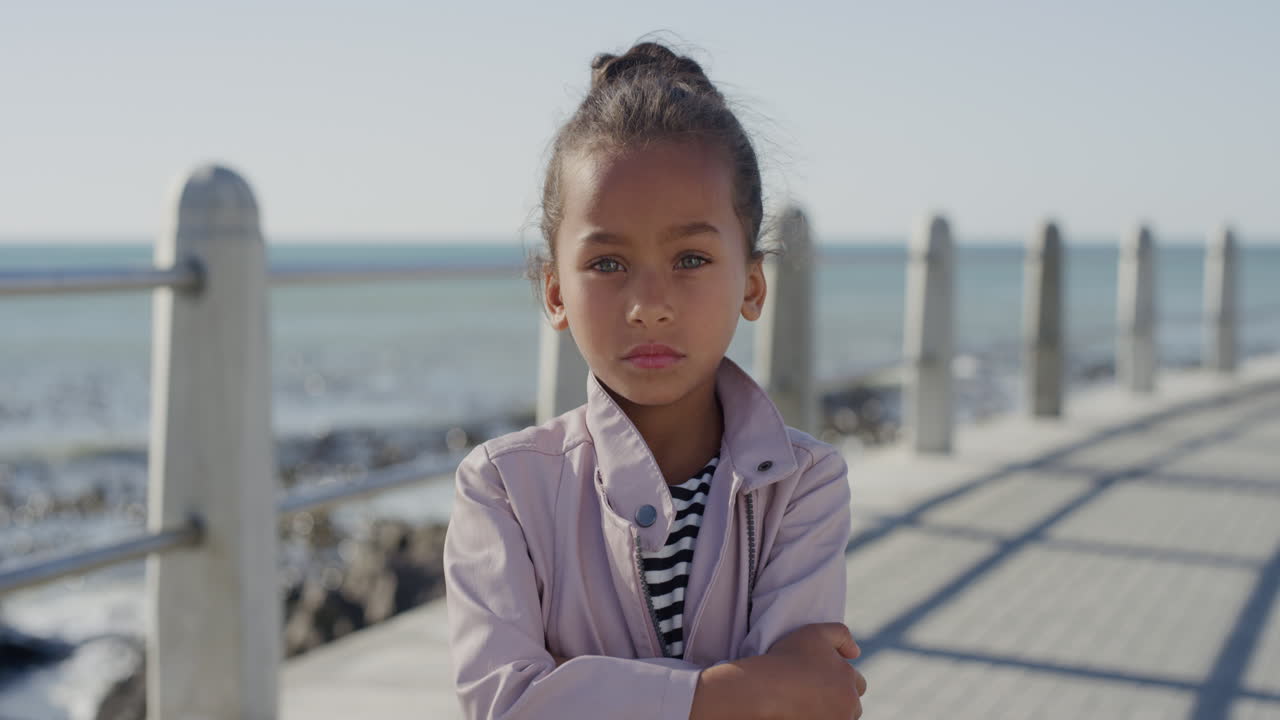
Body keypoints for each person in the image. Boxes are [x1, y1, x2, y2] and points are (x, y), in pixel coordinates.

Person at [443, 39, 868, 720]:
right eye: (608, 264)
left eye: (691, 258)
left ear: (753, 286)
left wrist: (584, 690)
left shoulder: (804, 485)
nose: (650, 304)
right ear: (554, 293)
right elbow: (506, 706)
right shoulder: (504, 489)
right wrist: (742, 689)